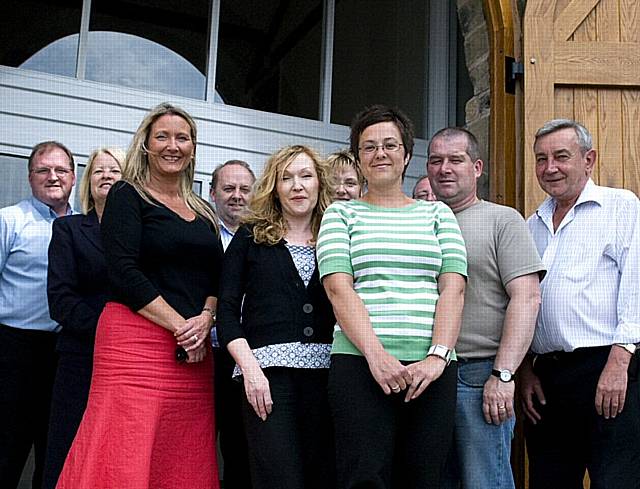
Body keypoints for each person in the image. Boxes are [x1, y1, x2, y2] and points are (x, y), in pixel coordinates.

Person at [56, 103, 222, 489]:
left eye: (182, 137)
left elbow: (217, 277)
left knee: (183, 457)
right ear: (145, 144)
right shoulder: (127, 195)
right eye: (162, 136)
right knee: (122, 451)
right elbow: (124, 273)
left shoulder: (202, 211)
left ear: (193, 148)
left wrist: (206, 318)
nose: (172, 145)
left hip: (194, 354)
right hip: (135, 346)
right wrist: (184, 327)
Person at [316, 105, 468, 489]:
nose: (380, 153)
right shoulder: (340, 216)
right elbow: (338, 288)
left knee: (424, 478)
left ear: (406, 155)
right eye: (368, 148)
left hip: (431, 372)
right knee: (364, 477)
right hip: (360, 366)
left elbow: (453, 287)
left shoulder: (438, 215)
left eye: (389, 145)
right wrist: (376, 355)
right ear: (358, 159)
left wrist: (437, 356)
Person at [520, 119, 640, 489]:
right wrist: (524, 369)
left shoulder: (620, 207)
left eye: (561, 156)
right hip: (546, 380)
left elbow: (636, 284)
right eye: (541, 159)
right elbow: (520, 304)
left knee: (615, 480)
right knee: (549, 480)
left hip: (606, 367)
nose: (550, 168)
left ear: (588, 160)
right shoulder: (530, 225)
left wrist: (619, 362)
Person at [426, 127, 544, 489]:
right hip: (424, 375)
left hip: (477, 376)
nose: (444, 168)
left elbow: (527, 298)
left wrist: (504, 375)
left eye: (455, 160)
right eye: (436, 160)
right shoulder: (417, 221)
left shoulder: (502, 220)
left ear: (476, 168)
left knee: (484, 482)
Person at [217, 145, 336, 489]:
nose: (297, 185)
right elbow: (226, 312)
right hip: (266, 382)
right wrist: (251, 372)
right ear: (274, 186)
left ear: (319, 183)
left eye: (305, 176)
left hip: (328, 380)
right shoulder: (249, 235)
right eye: (287, 178)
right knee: (279, 477)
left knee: (324, 477)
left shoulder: (337, 234)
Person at [41, 147, 125, 489]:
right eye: (98, 171)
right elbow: (60, 300)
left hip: (127, 362)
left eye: (114, 171)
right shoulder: (69, 229)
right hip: (80, 357)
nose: (105, 176)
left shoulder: (144, 236)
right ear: (87, 181)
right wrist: (108, 330)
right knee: (66, 448)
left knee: (116, 452)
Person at [0, 141, 76, 489]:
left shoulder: (85, 228)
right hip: (14, 350)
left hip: (65, 356)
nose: (53, 176)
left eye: (61, 170)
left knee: (55, 456)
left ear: (74, 177)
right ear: (30, 177)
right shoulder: (9, 220)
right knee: (6, 450)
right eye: (43, 170)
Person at [209, 159, 256, 489]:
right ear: (212, 194)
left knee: (242, 447)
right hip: (205, 357)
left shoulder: (265, 238)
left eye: (244, 189)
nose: (237, 196)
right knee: (196, 442)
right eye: (228, 188)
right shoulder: (200, 235)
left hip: (250, 360)